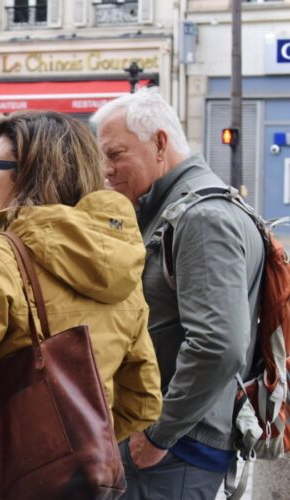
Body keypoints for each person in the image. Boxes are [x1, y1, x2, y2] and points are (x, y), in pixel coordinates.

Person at [0, 111, 163, 500]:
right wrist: (72, 448)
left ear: (31, 173)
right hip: (76, 485)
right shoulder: (123, 259)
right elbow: (143, 401)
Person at [92, 87, 265, 499]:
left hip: (176, 454)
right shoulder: (182, 209)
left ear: (160, 143)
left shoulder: (201, 217)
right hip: (176, 450)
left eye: (115, 155)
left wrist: (158, 434)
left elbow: (218, 345)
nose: (106, 170)